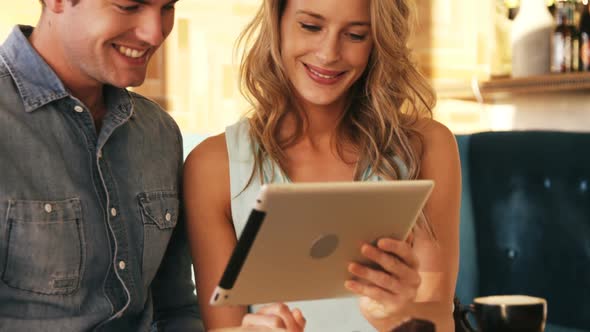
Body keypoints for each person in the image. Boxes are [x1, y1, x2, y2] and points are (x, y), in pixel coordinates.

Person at [184, 0, 461, 330]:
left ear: (378, 41)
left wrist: (399, 315)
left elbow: (441, 319)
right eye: (311, 27)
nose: (329, 53)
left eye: (356, 35)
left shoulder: (426, 147)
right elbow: (223, 327)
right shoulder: (214, 166)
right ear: (278, 23)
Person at [0, 0, 202, 331]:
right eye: (129, 6)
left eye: (167, 7)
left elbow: (175, 307)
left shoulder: (159, 132)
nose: (155, 33)